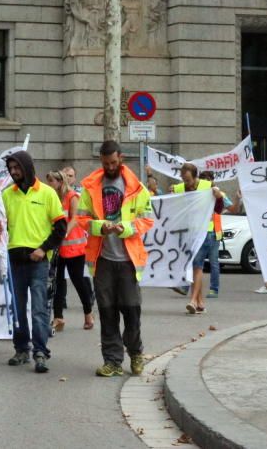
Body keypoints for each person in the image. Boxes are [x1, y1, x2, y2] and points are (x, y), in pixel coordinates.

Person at [76, 140, 153, 378]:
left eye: (113, 162)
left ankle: (136, 354)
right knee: (108, 313)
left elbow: (147, 219)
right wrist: (101, 226)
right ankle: (112, 361)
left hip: (128, 260)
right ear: (101, 160)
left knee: (132, 312)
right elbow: (81, 219)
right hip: (103, 260)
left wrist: (126, 228)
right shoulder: (90, 187)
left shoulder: (137, 187)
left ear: (121, 158)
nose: (110, 166)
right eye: (105, 162)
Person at [0, 151, 66, 374]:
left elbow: (60, 228)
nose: (13, 172)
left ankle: (40, 351)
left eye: (17, 168)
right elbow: (3, 227)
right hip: (14, 260)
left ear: (27, 167)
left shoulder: (47, 193)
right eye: (10, 169)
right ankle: (21, 349)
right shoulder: (7, 195)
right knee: (17, 309)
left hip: (38, 261)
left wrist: (43, 249)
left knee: (38, 309)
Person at [48, 170, 94, 332]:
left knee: (78, 281)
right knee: (58, 282)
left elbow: (75, 218)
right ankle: (58, 317)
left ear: (60, 182)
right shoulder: (52, 197)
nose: (50, 185)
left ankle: (88, 313)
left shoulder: (72, 196)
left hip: (74, 248)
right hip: (58, 248)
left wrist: (64, 232)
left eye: (52, 182)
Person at [171, 163, 218, 314]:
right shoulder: (179, 188)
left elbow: (218, 208)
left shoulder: (207, 186)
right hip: (188, 234)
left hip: (205, 232)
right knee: (194, 266)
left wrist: (217, 195)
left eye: (189, 180)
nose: (187, 184)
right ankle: (200, 302)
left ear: (196, 177)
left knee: (196, 265)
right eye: (184, 180)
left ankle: (192, 300)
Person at [197, 170, 230, 299]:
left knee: (213, 263)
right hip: (200, 231)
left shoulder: (219, 194)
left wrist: (237, 198)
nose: (205, 182)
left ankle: (214, 289)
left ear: (212, 180)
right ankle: (187, 286)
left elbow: (231, 207)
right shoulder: (198, 193)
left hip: (214, 232)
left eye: (207, 179)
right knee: (195, 261)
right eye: (202, 179)